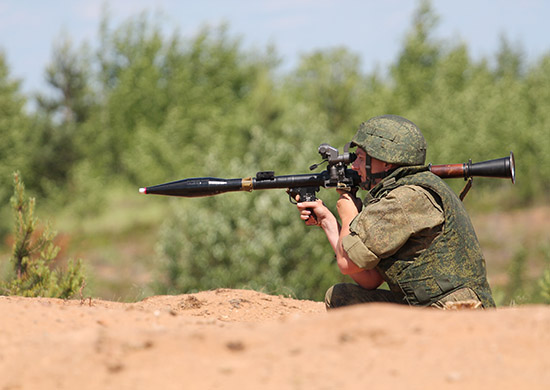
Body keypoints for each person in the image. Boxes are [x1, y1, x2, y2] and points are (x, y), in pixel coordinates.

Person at [296, 115, 495, 309]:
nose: (354, 166)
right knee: (342, 297)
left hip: (452, 309)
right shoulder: (409, 190)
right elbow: (370, 278)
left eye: (361, 158)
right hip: (430, 304)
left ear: (386, 162)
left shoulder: (404, 199)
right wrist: (327, 222)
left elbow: (347, 264)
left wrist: (349, 213)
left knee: (341, 299)